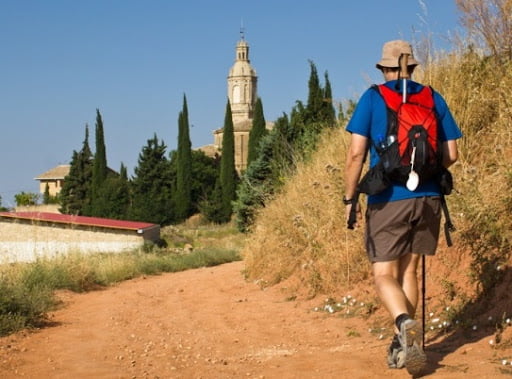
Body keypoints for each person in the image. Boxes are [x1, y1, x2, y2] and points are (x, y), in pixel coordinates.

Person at [343, 40, 462, 375]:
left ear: (384, 69)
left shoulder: (373, 97)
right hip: (428, 198)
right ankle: (405, 343)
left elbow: (355, 155)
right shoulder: (433, 97)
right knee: (408, 271)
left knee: (383, 274)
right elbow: (452, 154)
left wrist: (350, 199)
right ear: (413, 67)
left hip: (388, 197)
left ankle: (404, 321)